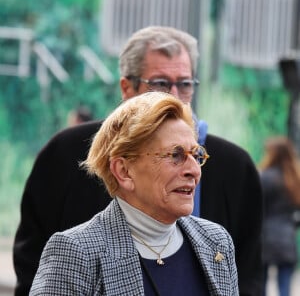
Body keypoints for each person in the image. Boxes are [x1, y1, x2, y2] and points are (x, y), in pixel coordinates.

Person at [13, 26, 263, 296]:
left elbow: (251, 275)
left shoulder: (217, 240)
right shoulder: (64, 162)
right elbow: (30, 260)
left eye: (185, 83)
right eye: (160, 83)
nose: (174, 96)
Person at [29, 92, 239, 295]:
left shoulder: (216, 242)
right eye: (175, 155)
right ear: (124, 171)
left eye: (196, 155)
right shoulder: (75, 253)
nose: (194, 170)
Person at [258, 136, 300, 296]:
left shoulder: (265, 177)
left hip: (265, 238)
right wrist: (292, 224)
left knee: (261, 286)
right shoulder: (295, 179)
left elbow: (257, 208)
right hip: (287, 239)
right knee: (285, 289)